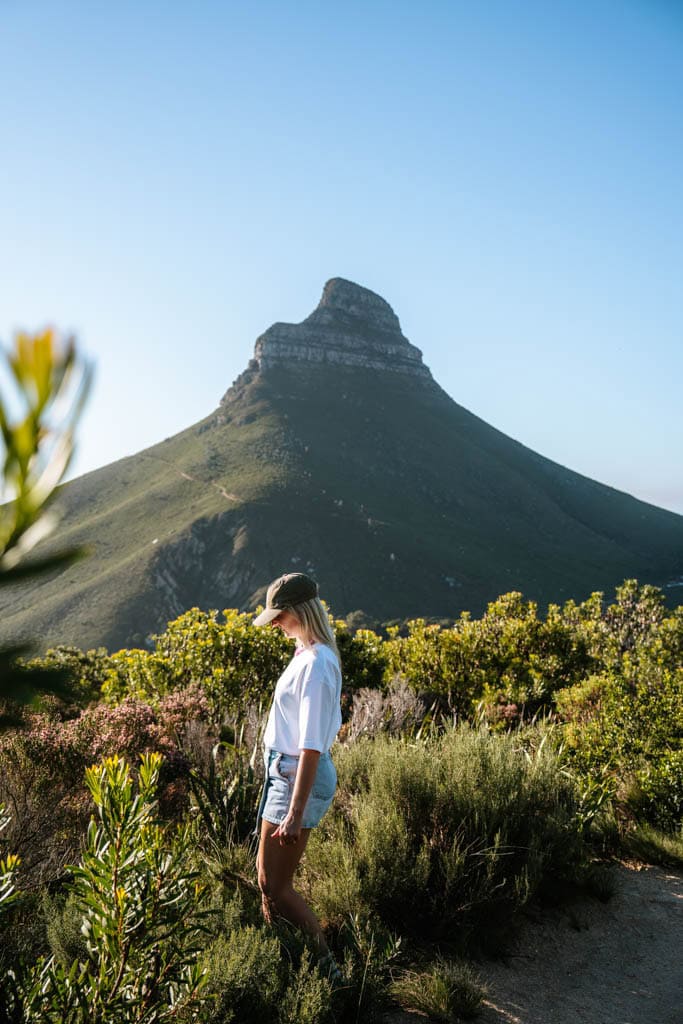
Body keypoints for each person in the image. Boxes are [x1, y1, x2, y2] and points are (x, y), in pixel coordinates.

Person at [253, 572, 343, 981]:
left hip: (294, 777)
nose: (274, 623)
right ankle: (285, 964)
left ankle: (328, 973)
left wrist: (295, 811)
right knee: (266, 882)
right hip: (282, 773)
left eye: (280, 615)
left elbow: (310, 746)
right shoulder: (305, 654)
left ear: (301, 612)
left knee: (277, 887)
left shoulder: (318, 664)